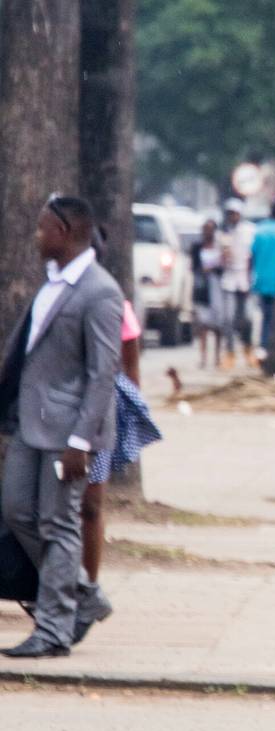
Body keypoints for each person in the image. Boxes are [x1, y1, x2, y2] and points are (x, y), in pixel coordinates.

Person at [0, 195, 120, 658]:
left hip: (68, 433)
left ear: (65, 232)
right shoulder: (52, 284)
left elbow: (102, 374)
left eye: (42, 228)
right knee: (17, 513)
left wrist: (80, 441)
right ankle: (86, 599)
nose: (36, 235)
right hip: (30, 425)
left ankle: (52, 630)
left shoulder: (100, 291)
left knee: (59, 524)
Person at [80, 228, 163, 595]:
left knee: (92, 505)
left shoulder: (113, 301)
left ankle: (89, 587)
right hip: (53, 412)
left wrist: (127, 418)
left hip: (99, 414)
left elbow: (130, 369)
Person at [219, 198, 255, 369]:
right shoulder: (222, 234)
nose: (232, 217)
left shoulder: (249, 230)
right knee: (228, 318)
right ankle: (230, 352)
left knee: (247, 318)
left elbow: (253, 256)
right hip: (228, 279)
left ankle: (248, 349)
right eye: (229, 214)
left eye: (234, 213)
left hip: (245, 279)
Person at [251, 203, 275, 356]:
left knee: (266, 315)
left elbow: (252, 254)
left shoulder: (260, 229)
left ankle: (264, 345)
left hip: (263, 279)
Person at [192, 219, 225, 369]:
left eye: (210, 229)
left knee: (218, 325)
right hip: (202, 288)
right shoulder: (197, 248)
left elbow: (223, 268)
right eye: (205, 229)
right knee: (203, 324)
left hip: (217, 287)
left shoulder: (220, 248)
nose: (208, 232)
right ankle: (203, 357)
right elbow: (193, 267)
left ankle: (217, 357)